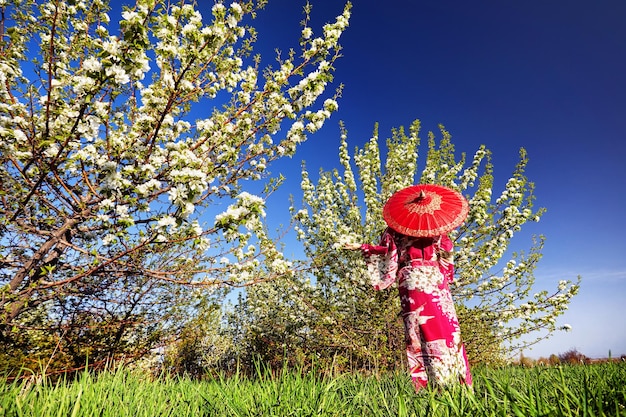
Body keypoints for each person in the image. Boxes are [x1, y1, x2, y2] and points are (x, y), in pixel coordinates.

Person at [345, 227, 472, 392]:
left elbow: (387, 252)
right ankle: (455, 383)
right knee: (444, 330)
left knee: (420, 332)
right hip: (434, 277)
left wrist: (363, 247)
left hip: (412, 277)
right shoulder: (437, 227)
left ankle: (431, 386)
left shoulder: (397, 228)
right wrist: (445, 274)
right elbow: (447, 253)